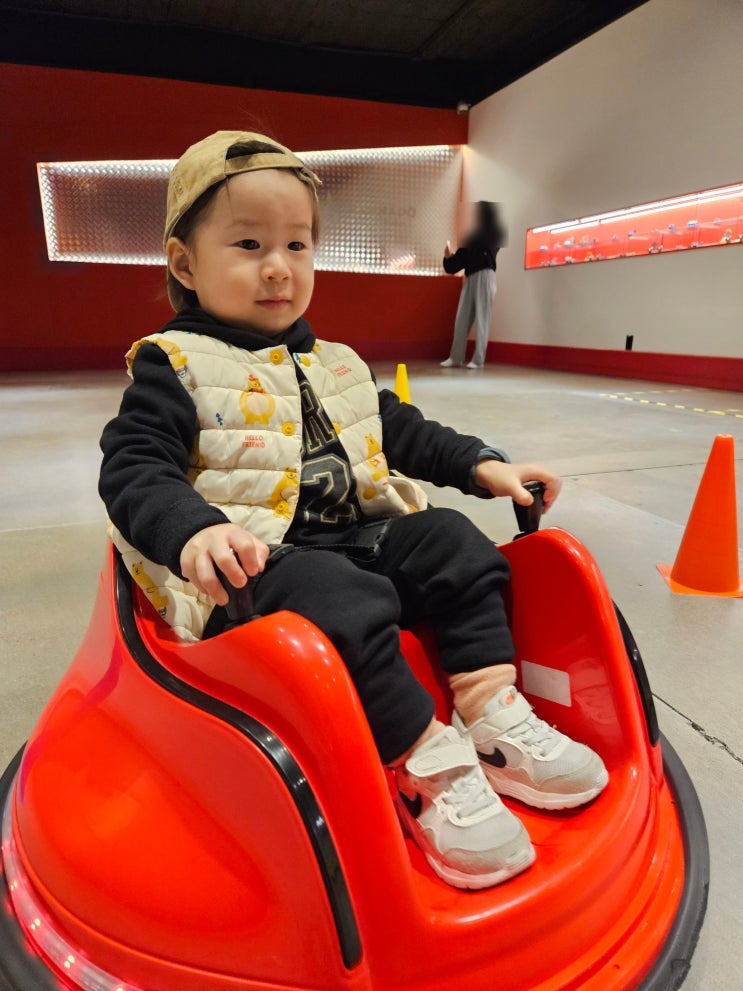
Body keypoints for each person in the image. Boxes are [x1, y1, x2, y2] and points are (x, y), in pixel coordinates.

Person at [100, 131, 607, 892]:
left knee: (453, 540)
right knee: (339, 594)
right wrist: (196, 529)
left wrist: (482, 464)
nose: (279, 266)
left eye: (297, 244)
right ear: (184, 264)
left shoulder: (336, 361)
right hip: (253, 564)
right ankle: (422, 762)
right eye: (248, 244)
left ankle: (491, 713)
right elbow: (133, 464)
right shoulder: (173, 364)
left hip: (353, 536)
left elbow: (401, 430)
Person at [441, 201, 505, 369]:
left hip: (484, 274)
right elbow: (460, 260)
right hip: (472, 276)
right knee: (462, 318)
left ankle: (477, 359)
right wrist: (449, 258)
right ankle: (456, 357)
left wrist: (449, 258)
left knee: (482, 318)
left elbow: (462, 258)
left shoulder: (490, 233)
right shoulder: (481, 235)